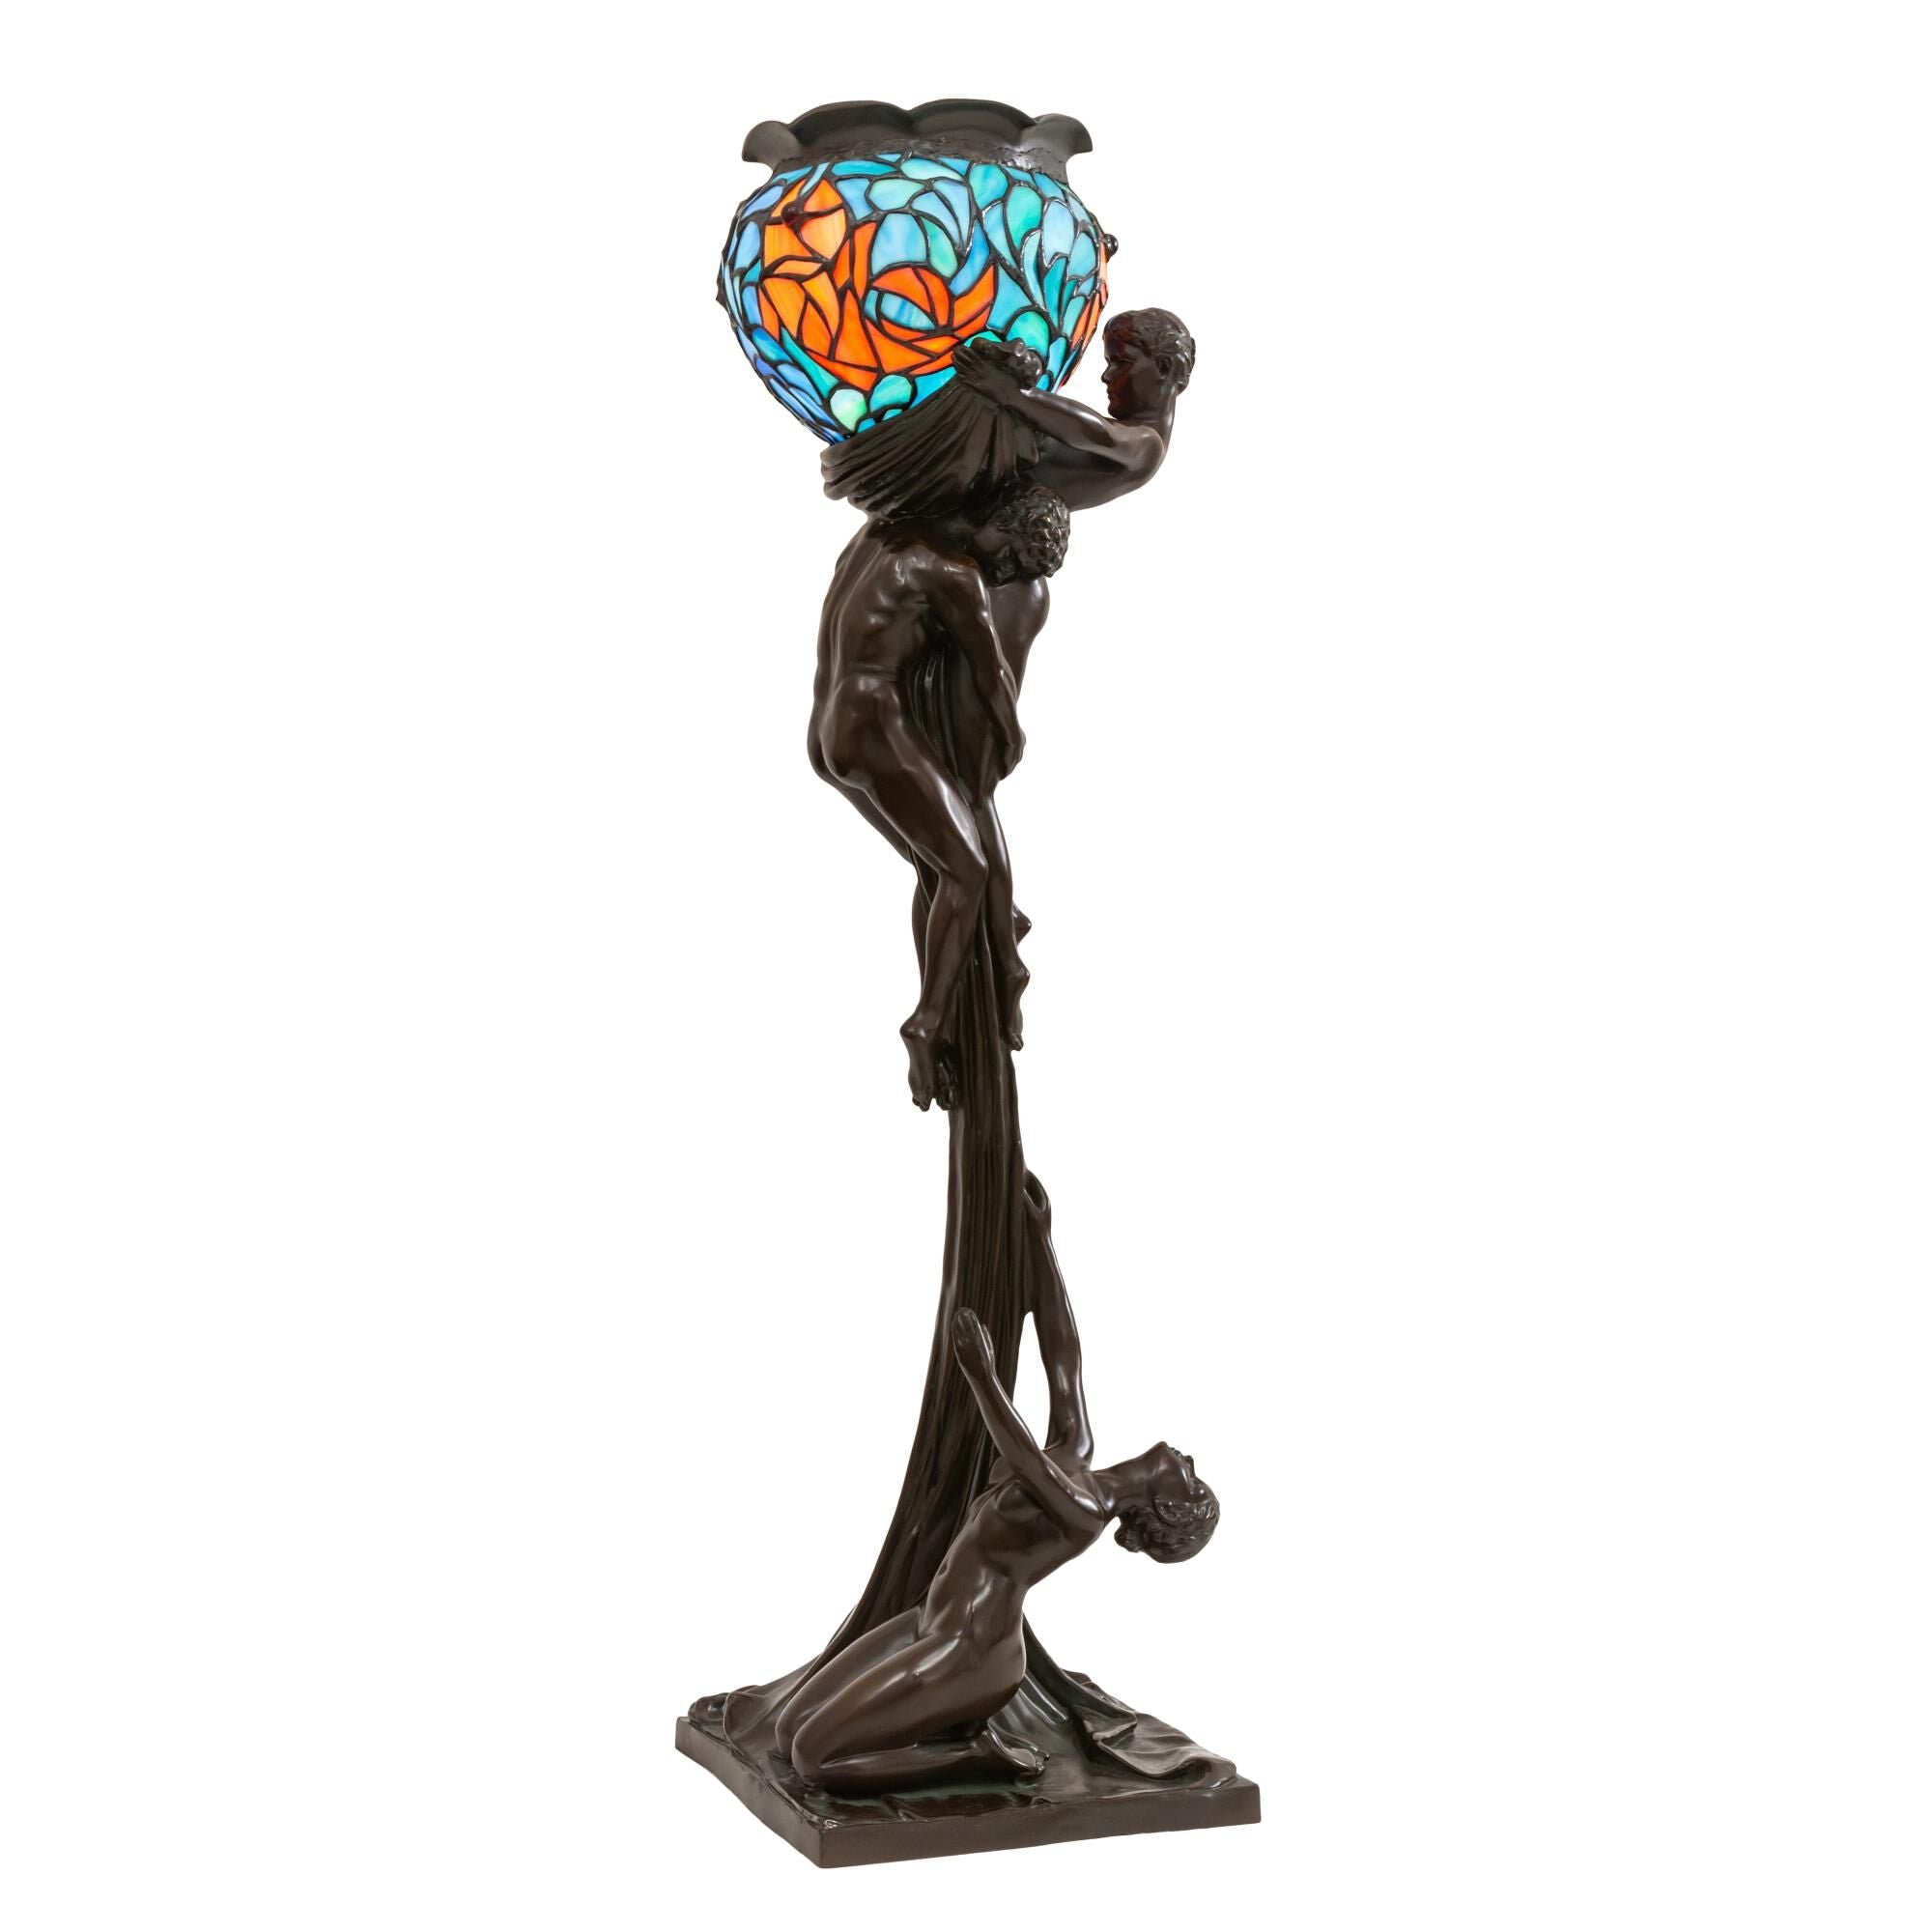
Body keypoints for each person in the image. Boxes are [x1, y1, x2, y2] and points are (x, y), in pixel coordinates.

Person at [773, 1242, 1219, 1797]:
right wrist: (1040, 1240)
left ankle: (974, 1759)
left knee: (813, 1760)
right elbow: (1063, 1352)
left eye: (1194, 1481)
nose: (1189, 1463)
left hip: (973, 1652)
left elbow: (1025, 1458)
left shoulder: (1084, 1516)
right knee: (786, 1732)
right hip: (927, 1621)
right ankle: (940, 1739)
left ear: (1167, 1508)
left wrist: (982, 1376)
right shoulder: (1076, 1449)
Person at [808, 481, 1068, 1109]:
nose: (1005, 573)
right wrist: (1012, 733)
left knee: (938, 864)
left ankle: (997, 946)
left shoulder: (875, 538)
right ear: (1003, 525)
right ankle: (926, 1022)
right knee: (965, 868)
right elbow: (990, 672)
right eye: (1013, 559)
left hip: (826, 731)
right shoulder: (953, 574)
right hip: (873, 726)